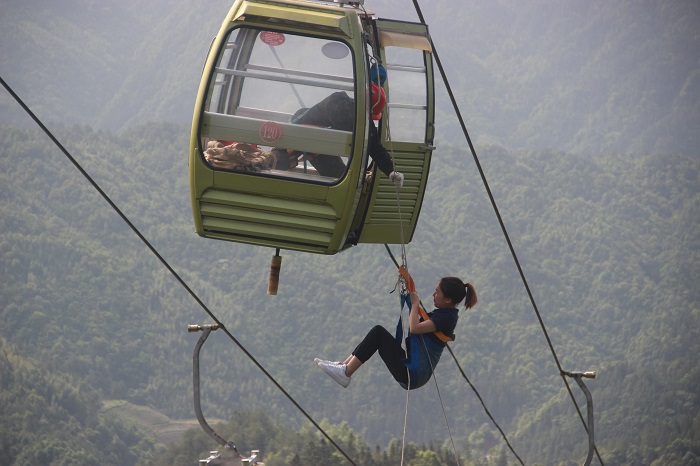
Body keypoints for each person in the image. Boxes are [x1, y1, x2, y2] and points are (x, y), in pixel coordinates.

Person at [315, 276, 477, 390]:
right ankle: (344, 366)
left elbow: (414, 328)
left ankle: (346, 372)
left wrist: (415, 304)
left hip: (411, 374)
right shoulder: (444, 314)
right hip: (412, 368)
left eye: (437, 293)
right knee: (377, 332)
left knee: (378, 334)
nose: (434, 295)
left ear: (448, 300)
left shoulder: (447, 318)